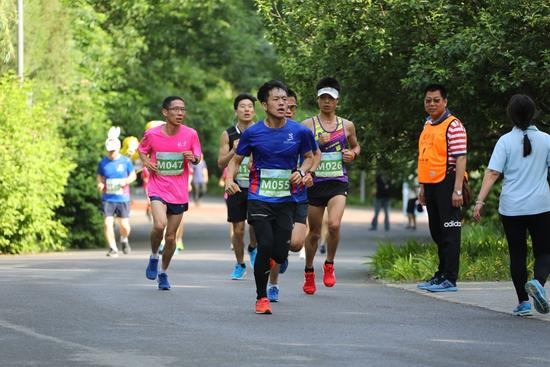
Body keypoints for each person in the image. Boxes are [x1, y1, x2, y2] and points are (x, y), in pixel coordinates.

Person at [225, 80, 314, 314]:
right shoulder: (253, 133)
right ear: (265, 104)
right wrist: (229, 180)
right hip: (259, 197)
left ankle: (273, 260)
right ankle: (261, 297)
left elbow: (309, 156)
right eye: (276, 99)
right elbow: (236, 160)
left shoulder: (300, 131)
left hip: (287, 200)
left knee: (282, 252)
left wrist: (302, 172)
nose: (282, 103)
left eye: (285, 99)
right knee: (264, 244)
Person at [474, 94, 550, 316]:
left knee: (517, 253)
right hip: (541, 206)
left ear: (510, 115)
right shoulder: (546, 139)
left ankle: (524, 303)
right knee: (544, 252)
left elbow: (492, 173)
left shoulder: (505, 141)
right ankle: (537, 282)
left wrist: (480, 201)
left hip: (512, 208)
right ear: (533, 113)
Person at [302, 77, 361, 295]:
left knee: (334, 225)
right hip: (315, 183)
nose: (327, 102)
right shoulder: (308, 125)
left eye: (331, 99)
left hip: (337, 181)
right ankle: (309, 271)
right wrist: (318, 143)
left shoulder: (347, 125)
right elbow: (299, 151)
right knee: (315, 233)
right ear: (318, 101)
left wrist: (352, 154)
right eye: (323, 98)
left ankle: (329, 264)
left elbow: (356, 146)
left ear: (337, 102)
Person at [138, 96, 202, 290]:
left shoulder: (190, 134)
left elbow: (198, 156)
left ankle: (163, 272)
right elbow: (142, 150)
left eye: (182, 109)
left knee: (172, 237)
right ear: (165, 112)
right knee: (159, 224)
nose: (180, 113)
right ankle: (153, 256)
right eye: (175, 109)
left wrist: (194, 159)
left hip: (179, 191)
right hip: (158, 187)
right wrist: (146, 162)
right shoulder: (152, 134)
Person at [267, 88, 318, 302]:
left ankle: (283, 251)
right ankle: (273, 285)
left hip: (298, 196)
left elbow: (316, 155)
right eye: (281, 102)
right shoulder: (266, 132)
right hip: (274, 197)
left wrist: (308, 173)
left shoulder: (301, 132)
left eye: (291, 105)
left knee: (296, 244)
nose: (286, 108)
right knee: (274, 243)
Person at [416, 84, 467, 292]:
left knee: (450, 233)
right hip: (430, 184)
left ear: (445, 101)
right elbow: (424, 157)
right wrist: (421, 187)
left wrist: (457, 191)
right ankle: (441, 274)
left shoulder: (453, 125)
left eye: (436, 100)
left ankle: (450, 279)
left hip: (448, 183)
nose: (432, 104)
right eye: (428, 100)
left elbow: (461, 157)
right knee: (437, 232)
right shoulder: (427, 124)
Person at [218, 93, 258, 280]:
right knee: (238, 229)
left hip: (258, 186)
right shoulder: (228, 134)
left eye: (250, 106)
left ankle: (253, 248)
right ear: (236, 111)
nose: (247, 109)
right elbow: (221, 163)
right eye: (243, 106)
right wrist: (234, 149)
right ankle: (240, 263)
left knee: (256, 225)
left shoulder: (261, 131)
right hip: (235, 186)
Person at [96, 127, 137, 257]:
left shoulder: (126, 161)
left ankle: (124, 239)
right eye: (109, 150)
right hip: (108, 198)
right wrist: (100, 184)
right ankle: (113, 248)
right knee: (107, 223)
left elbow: (133, 176)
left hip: (122, 198)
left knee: (125, 226)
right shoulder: (103, 163)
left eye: (113, 150)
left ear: (118, 148)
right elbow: (99, 176)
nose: (111, 153)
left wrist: (125, 181)